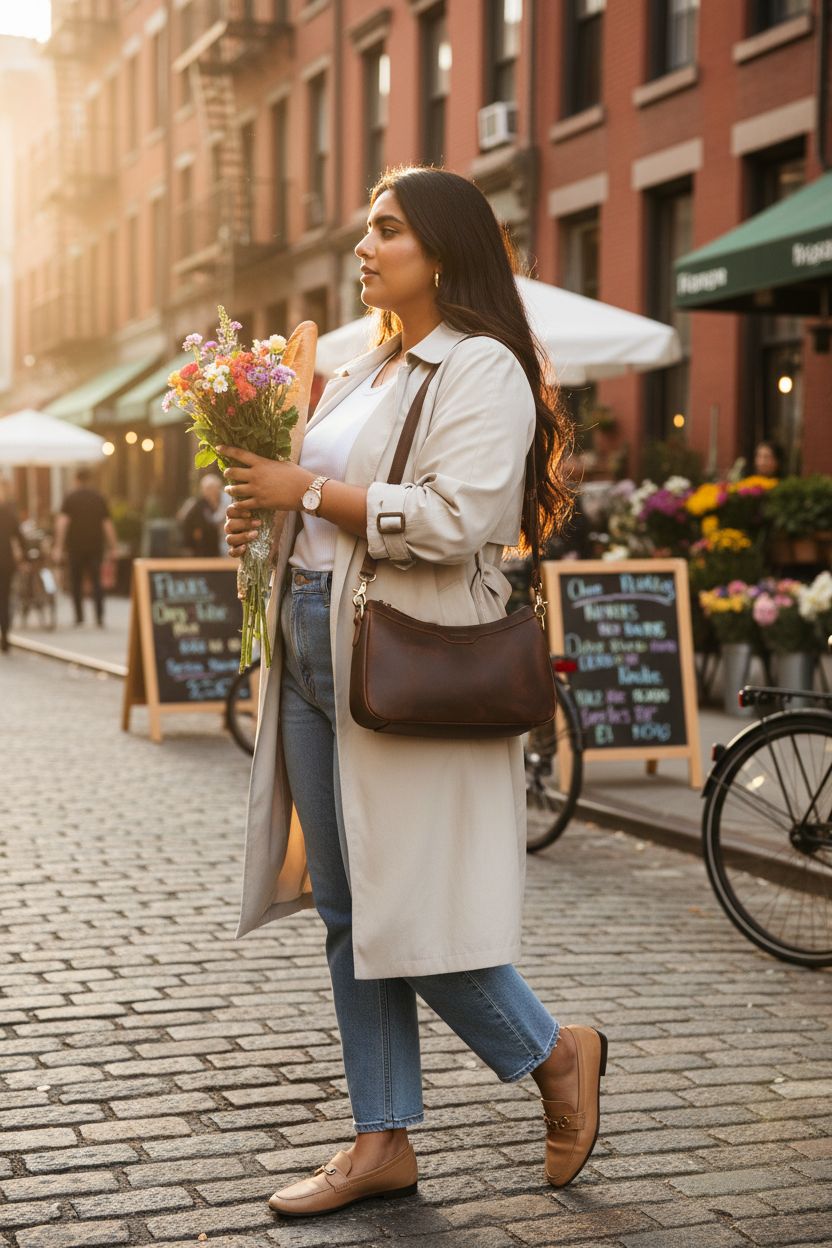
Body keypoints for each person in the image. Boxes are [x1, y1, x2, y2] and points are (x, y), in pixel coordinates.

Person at [222, 167, 606, 1218]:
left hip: (396, 658)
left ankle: (555, 1053)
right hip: (306, 642)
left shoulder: (482, 370)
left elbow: (454, 519)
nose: (366, 244)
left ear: (442, 248)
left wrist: (305, 489)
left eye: (386, 229)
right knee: (348, 909)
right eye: (366, 229)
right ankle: (380, 1137)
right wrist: (264, 514)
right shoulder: (361, 370)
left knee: (396, 903)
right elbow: (316, 499)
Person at [53, 468, 117, 627]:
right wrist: (113, 546)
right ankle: (99, 616)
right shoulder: (98, 497)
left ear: (76, 479)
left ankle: (79, 616)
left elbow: (62, 523)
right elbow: (107, 524)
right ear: (90, 480)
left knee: (76, 581)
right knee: (97, 581)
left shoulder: (70, 497)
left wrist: (58, 546)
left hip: (75, 546)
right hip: (95, 546)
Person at [0, 479, 23, 653]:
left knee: (5, 599)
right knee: (5, 599)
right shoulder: (8, 512)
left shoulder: (9, 512)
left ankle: (5, 635)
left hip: (5, 562)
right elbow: (20, 536)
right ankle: (5, 636)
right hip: (5, 561)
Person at [180, 474, 223, 557]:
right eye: (211, 489)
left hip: (213, 550)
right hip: (199, 550)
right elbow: (185, 521)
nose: (216, 492)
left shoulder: (217, 504)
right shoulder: (197, 504)